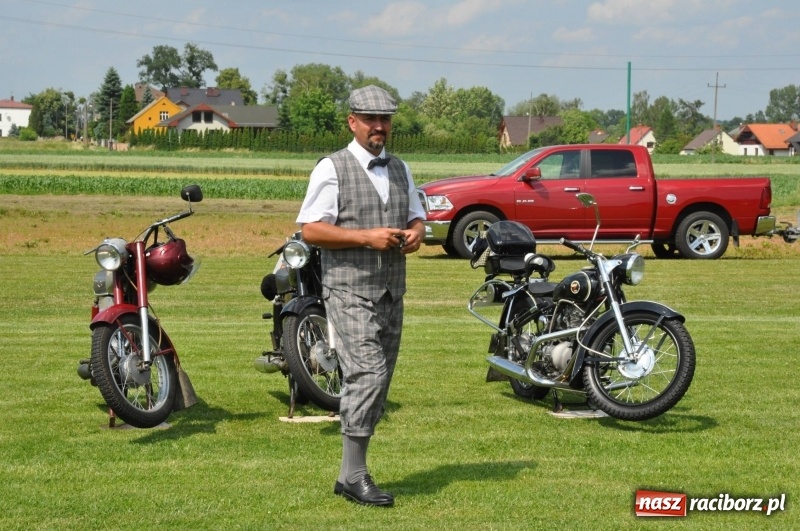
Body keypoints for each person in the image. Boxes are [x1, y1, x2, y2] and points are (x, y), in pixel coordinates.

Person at [296, 85, 426, 507]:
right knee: (367, 374)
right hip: (348, 289)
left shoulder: (401, 168)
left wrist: (415, 235)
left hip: (392, 291)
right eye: (371, 119)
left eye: (386, 119)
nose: (379, 127)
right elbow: (311, 230)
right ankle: (355, 475)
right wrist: (365, 238)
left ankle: (348, 474)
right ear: (352, 121)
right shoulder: (332, 169)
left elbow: (417, 218)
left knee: (380, 380)